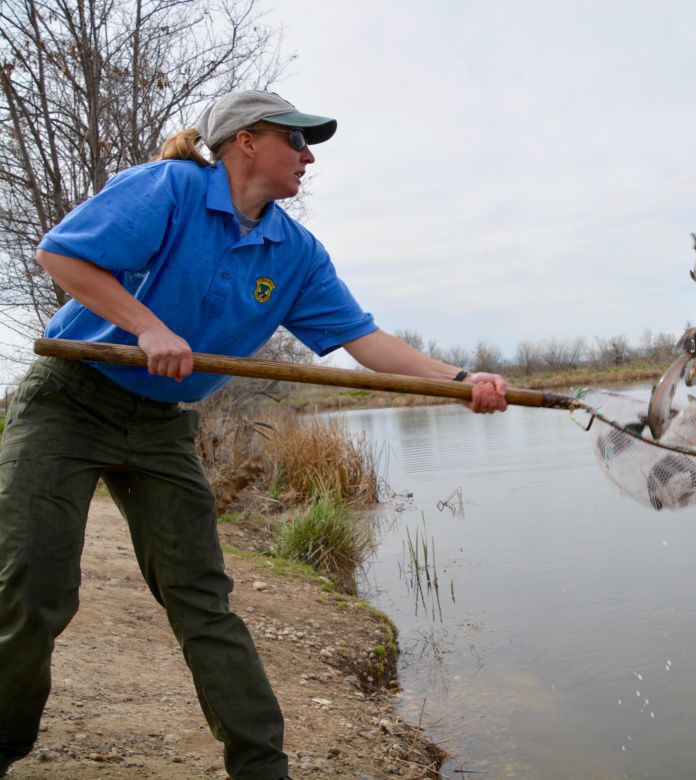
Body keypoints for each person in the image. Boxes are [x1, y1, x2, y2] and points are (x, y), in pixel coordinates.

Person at [0, 90, 508, 779]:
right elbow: (61, 256)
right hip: (69, 400)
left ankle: (262, 769)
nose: (309, 155)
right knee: (34, 587)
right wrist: (146, 325)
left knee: (203, 600)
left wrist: (457, 376)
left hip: (158, 427)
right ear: (246, 141)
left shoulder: (294, 252)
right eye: (295, 141)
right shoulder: (173, 188)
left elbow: (361, 339)